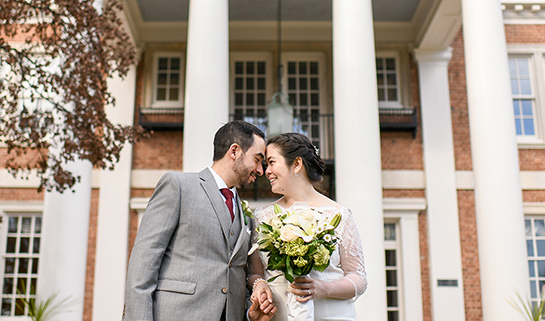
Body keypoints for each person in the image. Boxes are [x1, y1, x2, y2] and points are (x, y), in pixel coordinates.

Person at [122, 121, 276, 321]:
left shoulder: (246, 216)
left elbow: (233, 275)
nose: (260, 170)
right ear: (235, 151)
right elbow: (142, 266)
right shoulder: (178, 187)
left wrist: (249, 313)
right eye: (257, 160)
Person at [248, 133, 367, 321]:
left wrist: (323, 288)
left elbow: (358, 277)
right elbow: (255, 273)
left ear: (296, 164)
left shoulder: (338, 215)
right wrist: (259, 285)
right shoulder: (262, 217)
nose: (266, 171)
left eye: (271, 162)